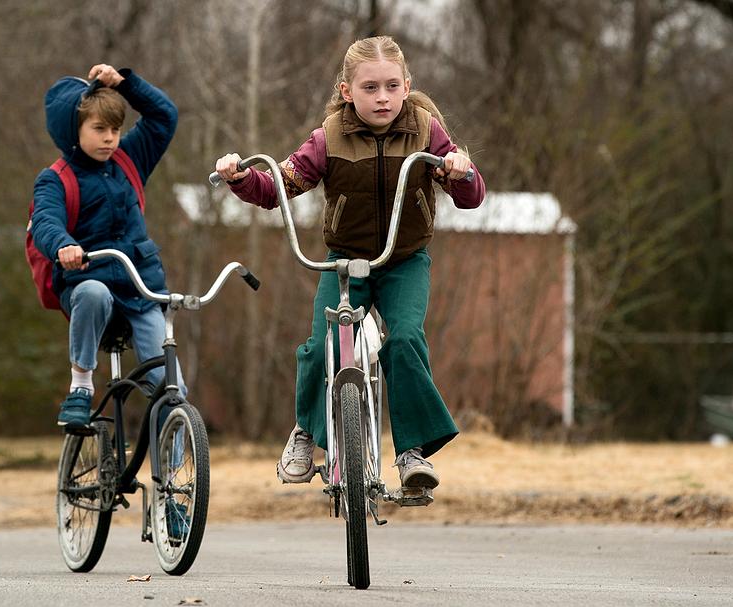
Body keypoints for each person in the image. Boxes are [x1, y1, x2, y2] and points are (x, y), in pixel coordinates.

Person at [214, 36, 486, 489]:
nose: (382, 97)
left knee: (404, 338)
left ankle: (412, 452)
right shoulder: (328, 138)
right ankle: (305, 433)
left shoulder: (426, 130)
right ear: (347, 92)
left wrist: (460, 169)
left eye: (391, 86)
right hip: (345, 262)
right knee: (321, 344)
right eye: (370, 88)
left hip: (404, 260)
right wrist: (241, 178)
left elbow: (471, 196)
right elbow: (277, 187)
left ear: (406, 86)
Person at [31, 64, 183, 428]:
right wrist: (64, 246)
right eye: (99, 129)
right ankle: (81, 384)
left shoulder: (128, 162)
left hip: (139, 289)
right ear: (73, 130)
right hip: (87, 284)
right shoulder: (55, 179)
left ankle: (180, 478)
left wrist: (125, 84)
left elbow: (165, 116)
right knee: (95, 293)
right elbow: (45, 223)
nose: (110, 138)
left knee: (171, 389)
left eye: (115, 129)